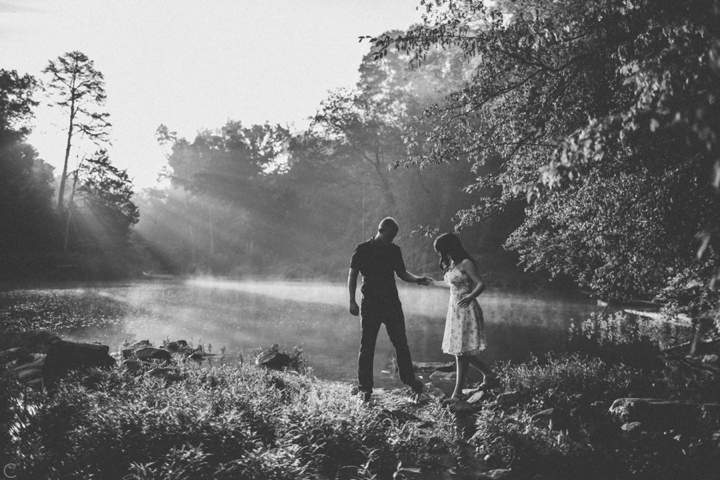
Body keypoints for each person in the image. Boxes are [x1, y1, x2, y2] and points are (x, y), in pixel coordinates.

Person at [348, 217, 430, 403]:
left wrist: (418, 279)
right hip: (370, 303)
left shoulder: (394, 250)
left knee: (401, 343)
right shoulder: (362, 249)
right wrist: (352, 301)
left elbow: (401, 273)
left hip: (392, 303)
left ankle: (411, 382)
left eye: (394, 236)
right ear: (381, 230)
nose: (392, 239)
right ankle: (365, 389)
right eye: (390, 235)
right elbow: (352, 276)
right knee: (367, 346)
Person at [429, 233, 499, 405]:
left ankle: (457, 394)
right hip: (455, 310)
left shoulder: (466, 263)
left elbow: (481, 284)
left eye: (442, 250)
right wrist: (433, 282)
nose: (441, 255)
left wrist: (469, 297)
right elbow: (451, 284)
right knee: (461, 350)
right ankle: (489, 375)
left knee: (461, 352)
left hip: (466, 308)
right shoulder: (453, 264)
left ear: (450, 247)